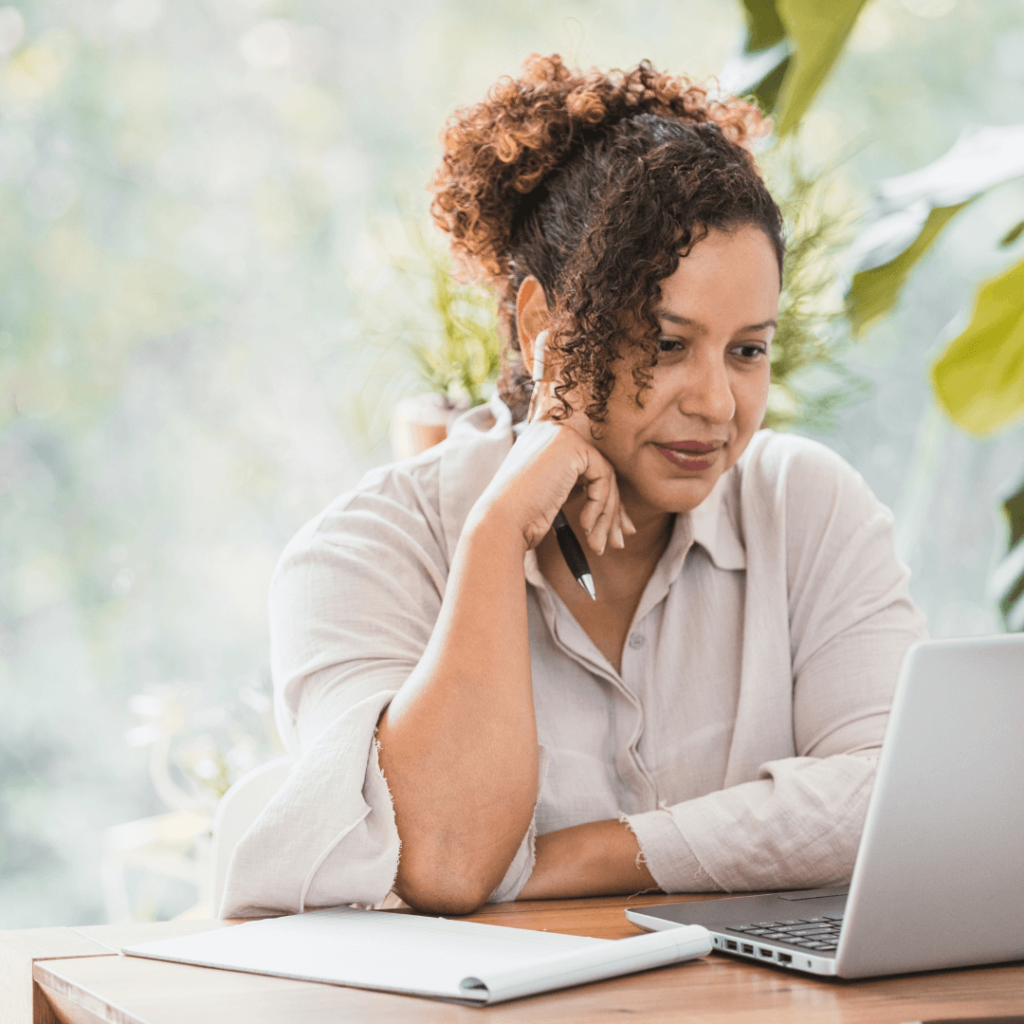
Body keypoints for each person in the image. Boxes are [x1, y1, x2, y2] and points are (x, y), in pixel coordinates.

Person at [221, 55, 927, 919]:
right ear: (540, 329)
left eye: (748, 349)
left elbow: (897, 798)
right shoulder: (363, 554)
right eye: (667, 344)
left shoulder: (808, 508)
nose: (716, 403)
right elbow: (444, 859)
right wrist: (494, 538)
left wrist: (584, 855)